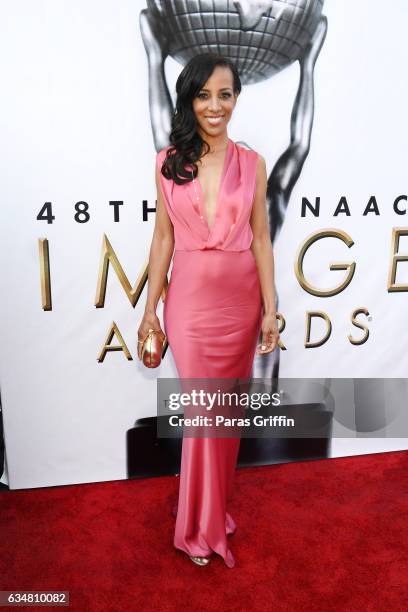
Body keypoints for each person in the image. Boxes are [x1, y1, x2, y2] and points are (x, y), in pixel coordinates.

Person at [138, 53, 279, 568]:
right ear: (189, 100)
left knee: (225, 416)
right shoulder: (167, 161)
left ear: (236, 98)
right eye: (203, 95)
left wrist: (270, 309)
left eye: (224, 94)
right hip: (191, 306)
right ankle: (197, 531)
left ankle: (214, 513)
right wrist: (151, 310)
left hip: (241, 303)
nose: (214, 105)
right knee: (203, 415)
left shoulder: (253, 163)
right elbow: (161, 240)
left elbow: (261, 238)